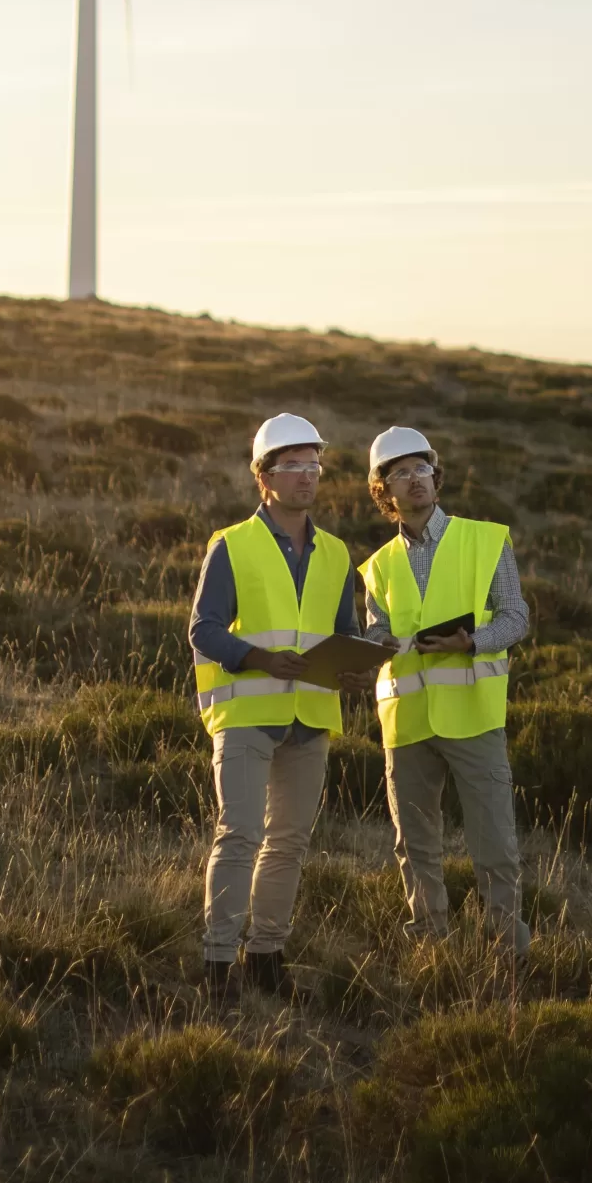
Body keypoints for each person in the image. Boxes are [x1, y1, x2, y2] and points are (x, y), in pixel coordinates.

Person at [188, 413, 358, 1005]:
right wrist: (258, 658)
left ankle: (265, 958)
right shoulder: (231, 545)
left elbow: (345, 634)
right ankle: (217, 965)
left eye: (314, 465)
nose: (307, 476)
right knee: (237, 837)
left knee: (288, 843)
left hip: (310, 717)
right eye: (293, 466)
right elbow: (203, 631)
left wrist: (359, 668)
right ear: (263, 477)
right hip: (246, 715)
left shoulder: (336, 553)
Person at [359, 425, 534, 956]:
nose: (415, 480)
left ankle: (506, 946)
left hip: (473, 717)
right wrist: (375, 642)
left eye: (422, 469)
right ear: (383, 490)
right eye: (400, 473)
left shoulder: (485, 539)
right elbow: (374, 630)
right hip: (406, 722)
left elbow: (517, 617)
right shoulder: (377, 566)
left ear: (436, 476)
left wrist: (473, 642)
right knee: (413, 843)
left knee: (495, 842)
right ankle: (429, 939)